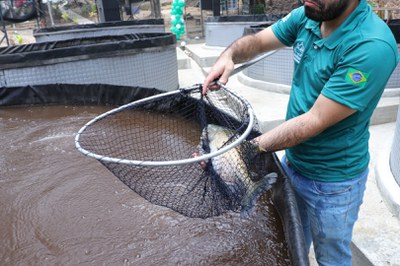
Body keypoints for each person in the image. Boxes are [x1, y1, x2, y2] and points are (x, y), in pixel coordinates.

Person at [202, 0, 399, 265]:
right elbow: (259, 42)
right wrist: (229, 56)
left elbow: (316, 119)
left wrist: (245, 149)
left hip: (333, 185)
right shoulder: (310, 14)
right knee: (290, 243)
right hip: (293, 164)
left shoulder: (372, 46)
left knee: (331, 256)